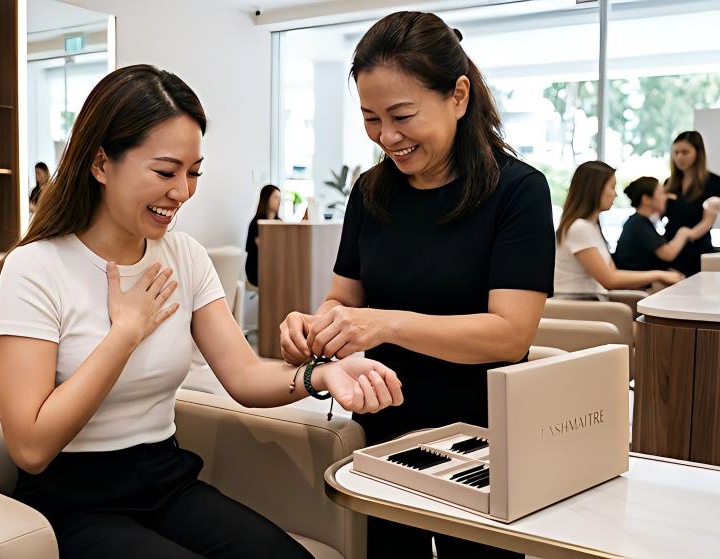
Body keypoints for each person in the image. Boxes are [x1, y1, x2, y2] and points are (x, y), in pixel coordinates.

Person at [0, 65, 404, 559]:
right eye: (166, 172)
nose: (183, 192)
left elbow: (245, 375)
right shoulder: (35, 267)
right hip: (71, 503)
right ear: (101, 164)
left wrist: (325, 374)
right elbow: (31, 449)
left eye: (193, 173)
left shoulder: (184, 256)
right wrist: (125, 332)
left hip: (166, 481)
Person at [279, 12, 554, 558]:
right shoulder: (371, 191)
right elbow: (344, 298)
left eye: (402, 115)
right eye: (371, 118)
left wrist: (386, 323)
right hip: (382, 424)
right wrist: (318, 324)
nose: (388, 137)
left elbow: (510, 335)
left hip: (480, 437)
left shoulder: (518, 192)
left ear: (458, 95)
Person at [555, 162, 683, 298]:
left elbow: (612, 273)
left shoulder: (591, 226)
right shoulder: (579, 227)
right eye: (612, 187)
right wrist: (658, 274)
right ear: (595, 189)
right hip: (579, 309)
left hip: (593, 304)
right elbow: (610, 280)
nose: (615, 195)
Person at [662, 131, 720, 276]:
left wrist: (686, 235)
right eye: (676, 152)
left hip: (697, 248)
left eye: (685, 152)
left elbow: (707, 221)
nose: (679, 157)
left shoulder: (713, 182)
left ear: (698, 152)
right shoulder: (669, 183)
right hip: (670, 246)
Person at [614, 176, 713, 272]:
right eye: (662, 193)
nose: (666, 198)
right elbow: (668, 254)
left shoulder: (641, 222)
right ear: (646, 199)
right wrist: (683, 232)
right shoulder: (638, 224)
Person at [244, 183, 280, 286]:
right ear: (267, 198)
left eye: (279, 198)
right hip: (256, 269)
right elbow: (251, 249)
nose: (279, 201)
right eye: (276, 197)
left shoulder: (280, 222)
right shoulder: (255, 223)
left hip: (273, 268)